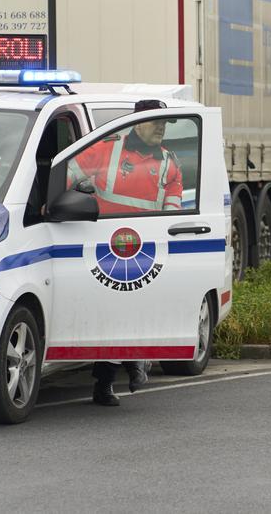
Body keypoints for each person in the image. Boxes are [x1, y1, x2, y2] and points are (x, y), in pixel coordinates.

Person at [68, 99, 182, 406]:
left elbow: (173, 212)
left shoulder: (169, 164)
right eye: (155, 121)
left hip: (144, 252)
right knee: (110, 317)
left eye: (164, 123)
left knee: (134, 314)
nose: (161, 127)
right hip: (104, 248)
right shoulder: (106, 149)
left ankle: (128, 366)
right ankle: (115, 376)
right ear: (136, 123)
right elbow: (66, 177)